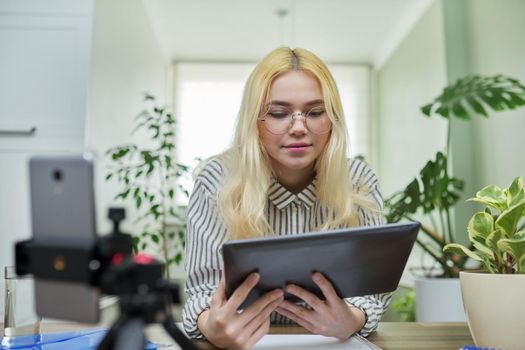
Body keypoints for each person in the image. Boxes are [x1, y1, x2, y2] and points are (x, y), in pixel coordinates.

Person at [182, 46, 391, 349]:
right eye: (279, 113)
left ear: (332, 120)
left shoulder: (358, 181)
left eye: (315, 112)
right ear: (255, 121)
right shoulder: (217, 181)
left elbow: (372, 292)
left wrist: (354, 319)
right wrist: (211, 325)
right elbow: (202, 292)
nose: (298, 128)